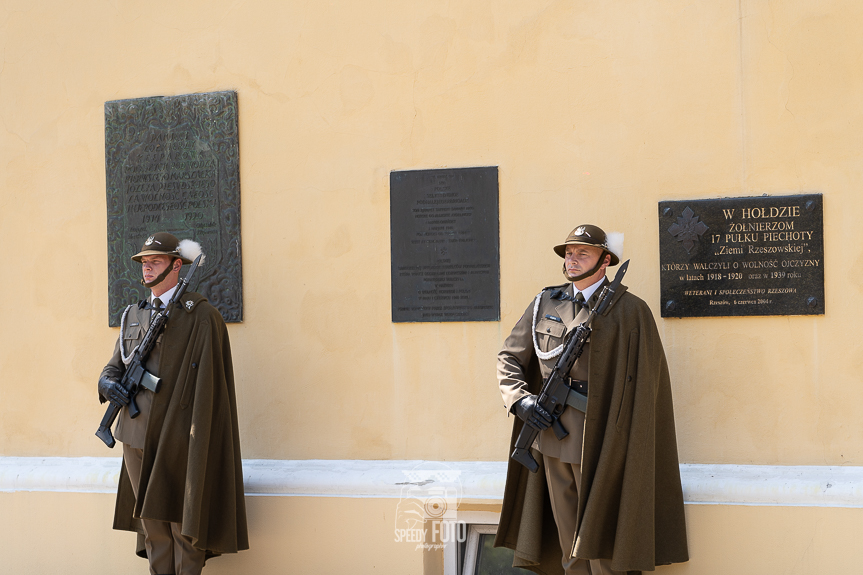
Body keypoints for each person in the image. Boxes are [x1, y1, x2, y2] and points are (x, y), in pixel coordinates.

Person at [494, 225, 688, 575]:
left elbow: (647, 385)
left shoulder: (629, 311)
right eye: (568, 252)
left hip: (604, 443)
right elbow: (509, 357)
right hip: (551, 438)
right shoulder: (545, 302)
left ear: (605, 261)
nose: (571, 258)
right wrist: (520, 401)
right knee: (570, 547)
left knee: (603, 545)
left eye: (582, 252)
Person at [98, 232, 248, 575]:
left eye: (156, 262)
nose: (147, 268)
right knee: (153, 527)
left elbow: (211, 385)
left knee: (183, 525)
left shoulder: (201, 316)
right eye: (144, 263)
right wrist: (107, 385)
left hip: (180, 437)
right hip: (135, 435)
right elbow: (113, 367)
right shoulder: (132, 315)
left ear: (176, 265)